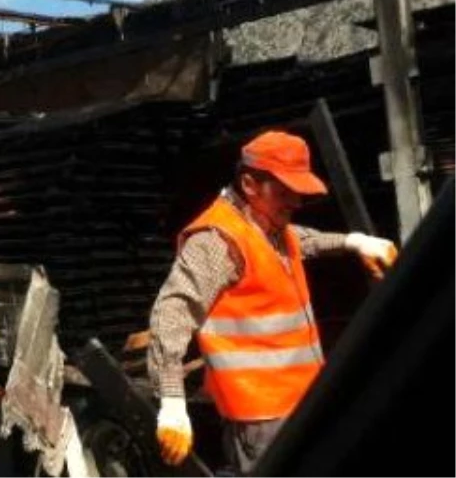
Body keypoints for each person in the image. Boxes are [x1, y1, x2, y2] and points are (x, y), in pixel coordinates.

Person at [147, 129, 399, 475]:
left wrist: (354, 242)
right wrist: (172, 403)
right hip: (260, 419)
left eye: (299, 193)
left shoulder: (269, 226)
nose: (295, 202)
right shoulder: (216, 241)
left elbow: (303, 239)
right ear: (249, 184)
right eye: (285, 192)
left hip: (300, 402)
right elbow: (172, 314)